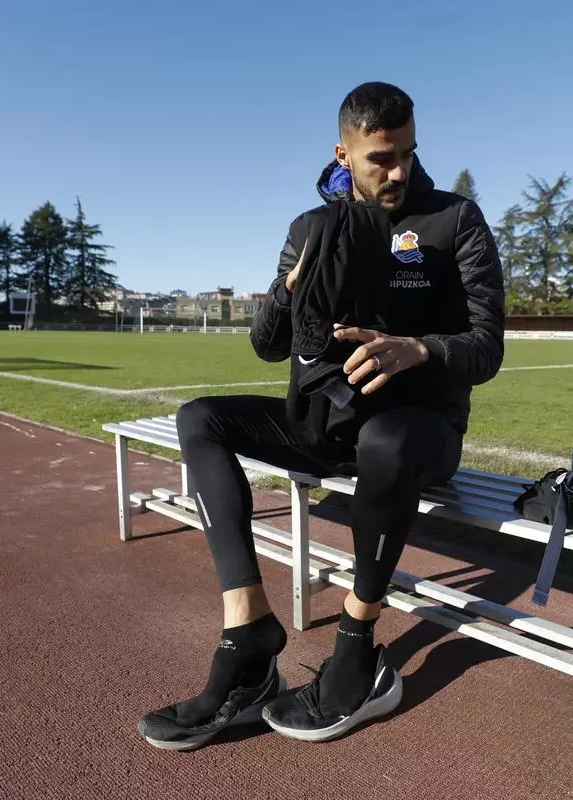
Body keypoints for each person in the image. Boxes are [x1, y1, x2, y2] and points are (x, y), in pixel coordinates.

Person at [137, 81, 506, 751]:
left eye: (408, 154)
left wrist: (419, 349)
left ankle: (358, 649)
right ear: (345, 154)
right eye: (381, 159)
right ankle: (248, 635)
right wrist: (287, 292)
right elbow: (267, 345)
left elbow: (487, 347)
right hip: (324, 425)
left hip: (418, 431)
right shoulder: (310, 227)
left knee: (386, 438)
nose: (399, 172)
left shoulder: (454, 220)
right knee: (200, 420)